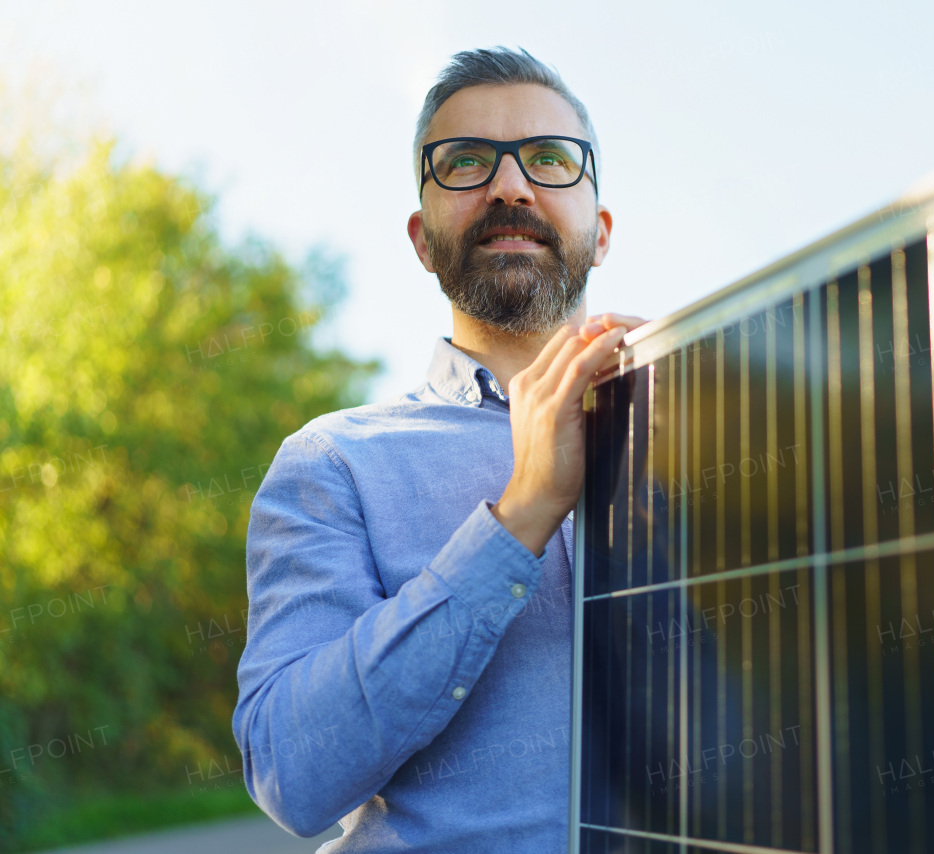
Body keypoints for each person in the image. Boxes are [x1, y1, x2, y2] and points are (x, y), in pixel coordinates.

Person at [232, 46, 645, 851]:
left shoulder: (711, 433)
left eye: (550, 160)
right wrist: (518, 517)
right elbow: (292, 775)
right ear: (423, 241)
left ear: (600, 232)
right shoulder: (333, 463)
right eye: (465, 163)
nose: (511, 187)